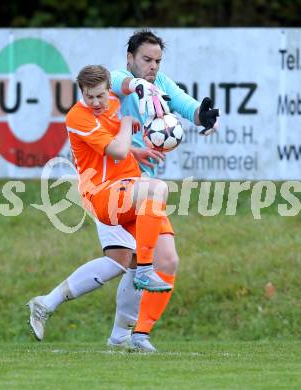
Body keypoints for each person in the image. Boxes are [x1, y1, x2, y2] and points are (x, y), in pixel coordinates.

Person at [27, 64, 176, 342]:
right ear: (81, 93)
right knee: (155, 191)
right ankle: (144, 273)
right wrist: (124, 126)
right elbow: (116, 147)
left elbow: (119, 145)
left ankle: (120, 335)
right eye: (89, 96)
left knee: (138, 259)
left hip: (127, 187)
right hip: (103, 193)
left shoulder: (114, 102)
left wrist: (137, 151)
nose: (95, 102)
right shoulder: (77, 117)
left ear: (108, 90)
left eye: (100, 96)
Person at [101, 30, 220, 352]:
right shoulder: (119, 79)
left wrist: (203, 116)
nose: (152, 67)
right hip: (119, 184)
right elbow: (114, 82)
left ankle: (136, 336)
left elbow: (186, 104)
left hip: (146, 191)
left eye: (157, 61)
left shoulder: (163, 84)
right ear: (131, 58)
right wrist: (137, 84)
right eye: (146, 60)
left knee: (164, 261)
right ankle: (55, 303)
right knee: (131, 261)